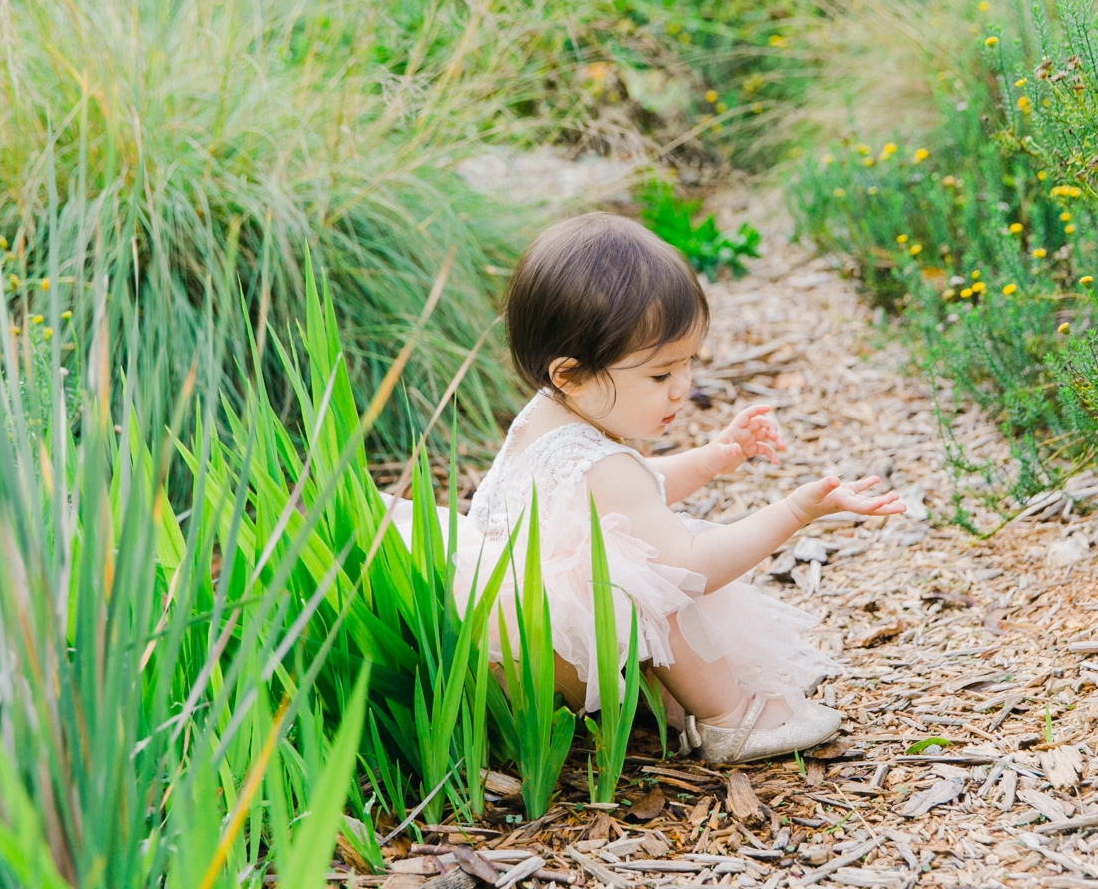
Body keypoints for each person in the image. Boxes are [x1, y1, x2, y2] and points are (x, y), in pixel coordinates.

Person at [385, 212, 904, 763]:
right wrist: (796, 511)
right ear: (571, 374)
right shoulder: (606, 464)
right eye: (660, 375)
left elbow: (627, 500)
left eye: (689, 364)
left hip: (499, 641)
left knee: (625, 559)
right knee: (656, 584)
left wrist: (711, 459)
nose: (684, 389)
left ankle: (658, 693)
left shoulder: (547, 417)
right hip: (534, 663)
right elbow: (692, 569)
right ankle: (731, 721)